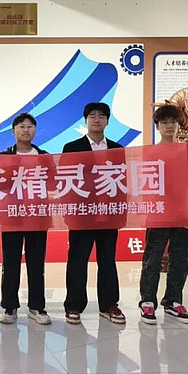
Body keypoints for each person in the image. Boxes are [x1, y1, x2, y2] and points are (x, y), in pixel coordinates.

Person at [139, 105, 188, 325]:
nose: (169, 126)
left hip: (183, 211)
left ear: (179, 125)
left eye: (173, 122)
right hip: (159, 212)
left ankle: (173, 301)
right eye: (164, 122)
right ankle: (147, 301)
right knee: (153, 259)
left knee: (180, 259)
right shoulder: (150, 152)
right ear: (157, 127)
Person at [62, 102, 126, 325]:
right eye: (92, 115)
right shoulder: (72, 147)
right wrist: (69, 211)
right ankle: (73, 305)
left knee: (107, 260)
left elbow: (122, 182)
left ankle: (109, 305)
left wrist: (121, 212)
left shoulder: (117, 149)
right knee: (77, 260)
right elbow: (65, 181)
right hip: (82, 214)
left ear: (107, 121)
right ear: (85, 120)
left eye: (101, 116)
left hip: (108, 213)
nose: (96, 119)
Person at [0, 113, 51, 325]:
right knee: (10, 263)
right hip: (12, 215)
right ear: (13, 131)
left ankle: (37, 306)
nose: (26, 130)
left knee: (36, 264)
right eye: (21, 126)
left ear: (35, 130)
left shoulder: (44, 156)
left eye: (30, 126)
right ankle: (9, 307)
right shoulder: (4, 156)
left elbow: (54, 182)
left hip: (37, 215)